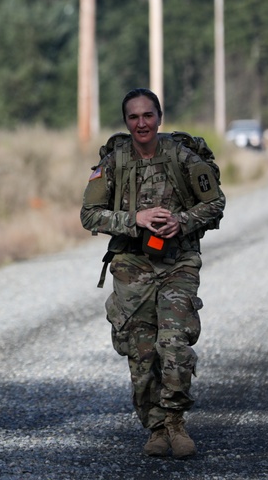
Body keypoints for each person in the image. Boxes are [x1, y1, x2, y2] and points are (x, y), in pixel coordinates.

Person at [81, 88, 225, 459]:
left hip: (178, 261)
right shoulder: (114, 161)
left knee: (173, 343)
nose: (141, 123)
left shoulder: (182, 156)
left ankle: (176, 422)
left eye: (148, 115)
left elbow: (215, 203)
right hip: (132, 265)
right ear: (126, 122)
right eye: (133, 117)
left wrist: (181, 221)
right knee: (141, 353)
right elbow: (89, 215)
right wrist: (135, 219)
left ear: (159, 118)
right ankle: (156, 427)